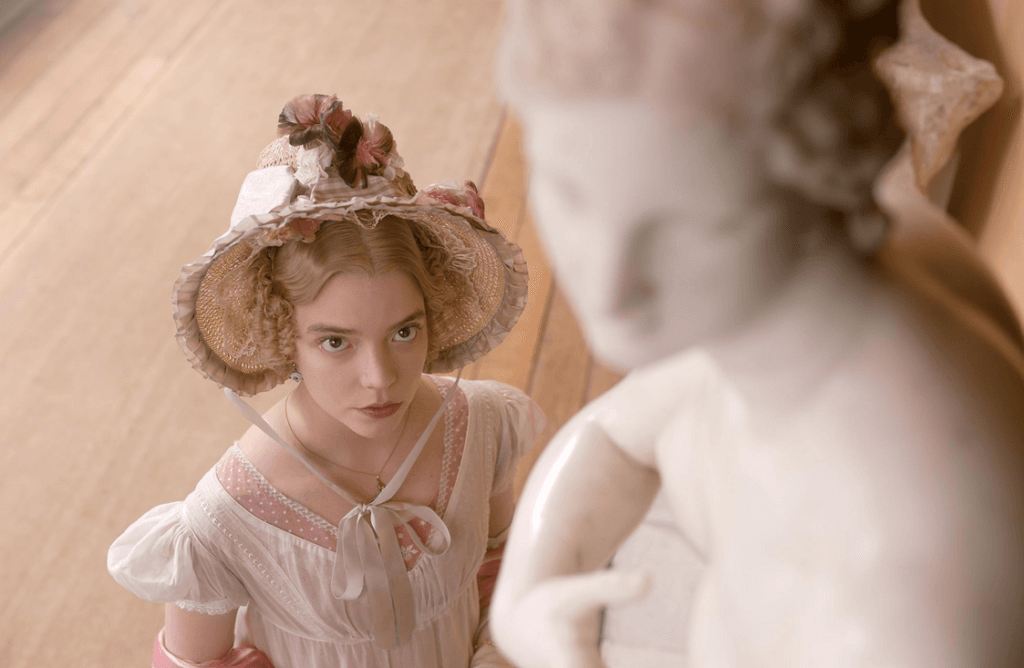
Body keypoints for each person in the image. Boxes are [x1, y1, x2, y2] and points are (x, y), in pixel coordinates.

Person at [490, 0, 1024, 666]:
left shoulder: (901, 605)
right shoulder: (767, 309)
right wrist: (525, 593)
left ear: (818, 183)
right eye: (569, 191)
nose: (608, 287)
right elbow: (620, 428)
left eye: (691, 228)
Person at [108, 94, 543, 668]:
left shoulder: (483, 425)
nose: (380, 378)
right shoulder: (227, 516)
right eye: (335, 341)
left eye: (405, 332)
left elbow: (502, 580)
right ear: (281, 330)